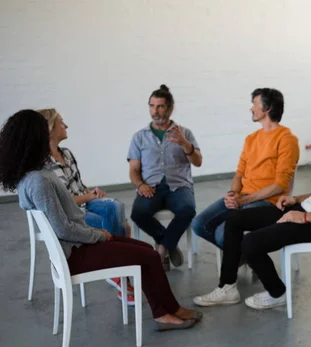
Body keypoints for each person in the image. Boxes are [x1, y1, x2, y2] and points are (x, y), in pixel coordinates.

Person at [0, 110, 200, 331]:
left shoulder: (33, 175)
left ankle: (170, 309)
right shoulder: (39, 180)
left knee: (148, 251)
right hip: (77, 252)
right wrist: (98, 235)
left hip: (79, 245)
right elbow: (63, 228)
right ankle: (164, 314)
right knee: (149, 255)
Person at [193, 99, 311, 310]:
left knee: (250, 244)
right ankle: (227, 287)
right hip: (307, 212)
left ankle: (277, 293)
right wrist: (297, 200)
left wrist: (303, 217)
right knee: (235, 218)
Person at [39, 108, 134, 299]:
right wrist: (89, 197)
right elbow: (62, 201)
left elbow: (78, 186)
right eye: (61, 123)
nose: (66, 126)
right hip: (69, 211)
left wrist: (90, 192)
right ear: (50, 129)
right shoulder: (43, 165)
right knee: (114, 224)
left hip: (83, 203)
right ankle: (121, 274)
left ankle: (120, 269)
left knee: (116, 208)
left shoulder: (66, 153)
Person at [191, 88, 299, 249]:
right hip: (243, 197)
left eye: (255, 103)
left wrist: (243, 200)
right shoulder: (251, 139)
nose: (251, 108)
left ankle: (243, 253)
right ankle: (244, 253)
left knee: (223, 235)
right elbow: (239, 173)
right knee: (199, 224)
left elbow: (280, 186)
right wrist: (233, 194)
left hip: (267, 202)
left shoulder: (287, 139)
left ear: (267, 108)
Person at [128, 85, 202, 271]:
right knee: (138, 213)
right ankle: (169, 243)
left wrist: (185, 144)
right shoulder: (139, 137)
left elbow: (198, 161)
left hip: (179, 187)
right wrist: (140, 185)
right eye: (152, 106)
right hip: (150, 187)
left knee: (187, 209)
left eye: (160, 106)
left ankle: (161, 249)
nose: (155, 111)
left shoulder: (185, 133)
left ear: (170, 108)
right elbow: (134, 169)